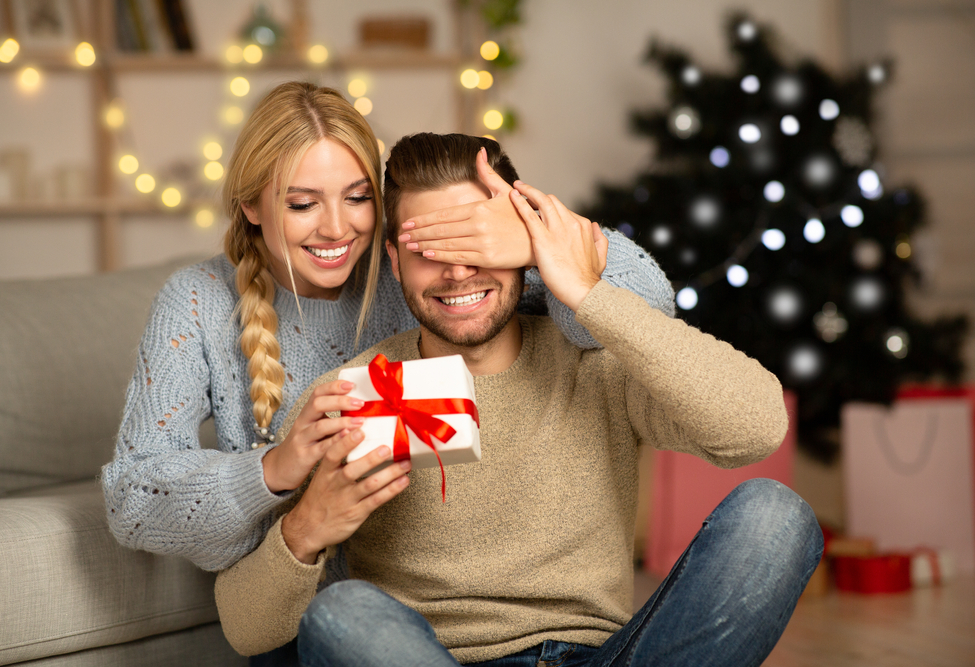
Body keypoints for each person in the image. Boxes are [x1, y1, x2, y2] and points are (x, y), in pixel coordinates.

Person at [213, 133, 824, 667]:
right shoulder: (348, 395)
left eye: (477, 241)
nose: (457, 272)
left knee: (776, 518)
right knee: (341, 614)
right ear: (394, 260)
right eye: (430, 249)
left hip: (605, 656)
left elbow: (758, 427)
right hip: (431, 656)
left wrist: (583, 290)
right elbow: (246, 630)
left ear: (522, 246)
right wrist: (305, 530)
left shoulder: (594, 363)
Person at [100, 82, 677, 574]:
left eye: (357, 198)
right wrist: (275, 468)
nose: (335, 228)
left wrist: (534, 236)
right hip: (296, 598)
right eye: (302, 204)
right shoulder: (197, 302)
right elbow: (134, 498)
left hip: (434, 598)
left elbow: (648, 313)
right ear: (251, 204)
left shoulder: (417, 269)